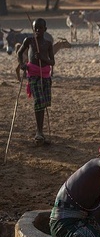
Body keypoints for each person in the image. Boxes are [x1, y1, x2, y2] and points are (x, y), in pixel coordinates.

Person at [17, 18, 55, 146]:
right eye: (35, 28)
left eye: (40, 28)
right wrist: (22, 64)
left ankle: (41, 131)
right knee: (38, 101)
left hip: (45, 75)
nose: (38, 30)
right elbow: (19, 52)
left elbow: (52, 62)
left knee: (43, 103)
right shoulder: (29, 40)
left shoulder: (48, 44)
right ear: (33, 29)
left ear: (45, 29)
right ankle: (39, 132)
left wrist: (43, 58)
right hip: (33, 75)